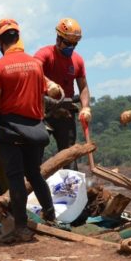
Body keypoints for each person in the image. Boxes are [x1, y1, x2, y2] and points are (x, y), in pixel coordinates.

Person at [0, 19, 57, 243]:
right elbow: (45, 95)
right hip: (35, 130)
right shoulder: (36, 65)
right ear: (18, 37)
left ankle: (22, 227)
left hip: (9, 131)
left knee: (15, 177)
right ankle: (51, 215)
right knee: (34, 173)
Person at [34, 18, 91, 167]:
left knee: (69, 153)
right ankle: (34, 184)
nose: (70, 47)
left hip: (65, 112)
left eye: (74, 44)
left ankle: (71, 187)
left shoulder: (77, 60)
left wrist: (86, 107)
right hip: (43, 112)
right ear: (58, 38)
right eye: (67, 43)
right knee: (36, 149)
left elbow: (83, 87)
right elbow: (33, 71)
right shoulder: (45, 54)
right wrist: (48, 83)